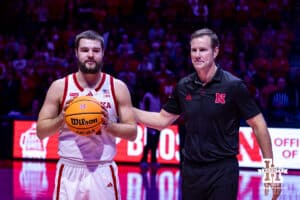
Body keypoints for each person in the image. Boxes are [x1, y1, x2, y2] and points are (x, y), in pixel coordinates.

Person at [134, 28, 281, 200]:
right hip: (191, 171)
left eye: (202, 50)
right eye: (193, 50)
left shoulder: (233, 86)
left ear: (215, 51)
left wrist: (270, 169)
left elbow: (259, 125)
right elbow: (162, 120)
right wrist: (129, 111)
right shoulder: (183, 86)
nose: (197, 55)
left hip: (223, 171)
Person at [36, 30, 137, 200]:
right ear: (76, 53)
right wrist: (61, 119)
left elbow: (133, 133)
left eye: (96, 51)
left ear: (103, 53)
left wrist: (110, 126)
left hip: (103, 170)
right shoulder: (60, 86)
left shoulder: (117, 87)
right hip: (69, 169)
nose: (90, 55)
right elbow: (41, 131)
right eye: (84, 50)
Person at [139, 79, 161, 169]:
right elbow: (147, 110)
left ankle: (153, 160)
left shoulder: (158, 97)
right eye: (157, 87)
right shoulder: (148, 96)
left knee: (155, 143)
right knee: (149, 143)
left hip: (157, 123)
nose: (158, 88)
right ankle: (143, 160)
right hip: (150, 124)